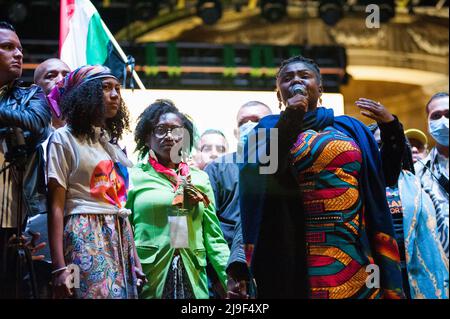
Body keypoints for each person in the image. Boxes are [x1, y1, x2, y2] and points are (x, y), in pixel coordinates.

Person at [239, 55, 405, 299]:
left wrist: (391, 127)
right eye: (287, 78)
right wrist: (290, 121)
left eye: (304, 76)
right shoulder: (266, 129)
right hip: (295, 251)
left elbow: (385, 178)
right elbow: (263, 176)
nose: (296, 80)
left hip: (354, 249)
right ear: (279, 95)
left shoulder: (350, 127)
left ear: (320, 88)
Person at [46, 65, 145, 299]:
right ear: (86, 93)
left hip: (117, 232)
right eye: (106, 88)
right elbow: (56, 206)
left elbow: (117, 202)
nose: (114, 95)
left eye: (117, 89)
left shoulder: (109, 143)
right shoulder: (63, 138)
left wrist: (135, 258)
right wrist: (60, 267)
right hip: (83, 233)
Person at [126, 99, 230, 299]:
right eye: (161, 129)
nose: (169, 136)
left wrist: (229, 278)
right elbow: (122, 229)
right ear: (147, 137)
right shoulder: (134, 176)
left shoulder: (200, 178)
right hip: (150, 274)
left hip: (192, 271)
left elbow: (214, 236)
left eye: (176, 130)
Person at [368, 117, 448, 299]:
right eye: (379, 144)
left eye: (390, 143)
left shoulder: (417, 184)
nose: (385, 149)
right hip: (378, 274)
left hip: (418, 272)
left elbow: (435, 237)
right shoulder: (365, 185)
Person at [0, 21, 51, 298]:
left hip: (15, 220)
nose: (18, 54)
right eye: (8, 47)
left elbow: (36, 125)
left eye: (19, 48)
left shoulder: (31, 94)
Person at [204, 101, 272, 298]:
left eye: (258, 121)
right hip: (225, 275)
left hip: (270, 268)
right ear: (236, 132)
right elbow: (206, 227)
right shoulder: (217, 169)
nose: (250, 125)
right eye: (244, 121)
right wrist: (219, 278)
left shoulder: (284, 168)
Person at [21, 58, 71, 299]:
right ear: (35, 87)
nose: (59, 79)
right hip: (37, 240)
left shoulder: (89, 137)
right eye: (50, 75)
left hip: (77, 240)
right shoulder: (26, 135)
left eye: (65, 74)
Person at [415, 92, 449, 259]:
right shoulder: (417, 172)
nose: (443, 122)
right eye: (436, 116)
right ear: (428, 123)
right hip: (438, 261)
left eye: (448, 114)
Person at [34, 58, 70, 129]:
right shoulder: (28, 127)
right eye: (51, 76)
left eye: (67, 76)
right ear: (35, 89)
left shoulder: (88, 127)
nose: (60, 80)